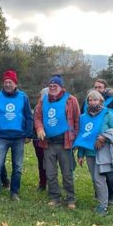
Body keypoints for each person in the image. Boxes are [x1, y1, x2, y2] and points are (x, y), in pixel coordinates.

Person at [74, 90, 113, 216]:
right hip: (89, 152)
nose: (92, 102)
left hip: (102, 152)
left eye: (95, 100)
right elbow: (83, 136)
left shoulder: (107, 114)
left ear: (101, 101)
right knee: (95, 179)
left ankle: (103, 206)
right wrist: (80, 154)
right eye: (90, 100)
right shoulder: (83, 117)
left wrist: (103, 138)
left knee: (98, 179)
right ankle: (103, 201)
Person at [0, 69, 33, 201]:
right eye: (6, 82)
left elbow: (29, 117)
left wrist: (29, 133)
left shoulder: (23, 97)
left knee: (17, 167)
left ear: (15, 84)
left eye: (10, 82)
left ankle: (14, 192)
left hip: (19, 137)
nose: (7, 84)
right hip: (1, 137)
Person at [34, 75, 80, 209]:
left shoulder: (71, 100)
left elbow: (77, 120)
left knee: (67, 172)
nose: (52, 87)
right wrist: (40, 128)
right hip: (48, 143)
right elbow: (37, 117)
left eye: (55, 85)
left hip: (65, 142)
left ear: (61, 87)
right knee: (50, 173)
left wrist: (75, 139)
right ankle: (54, 197)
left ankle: (70, 199)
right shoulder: (43, 100)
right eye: (51, 85)